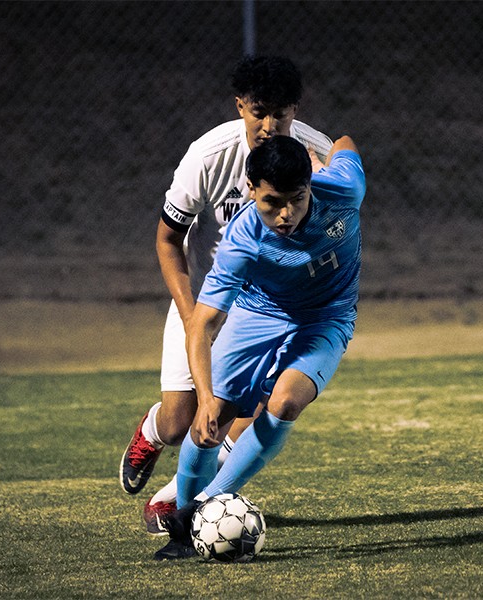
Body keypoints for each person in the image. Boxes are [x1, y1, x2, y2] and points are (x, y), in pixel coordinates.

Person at [119, 56, 333, 536]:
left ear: (295, 110)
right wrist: (190, 311)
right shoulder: (209, 157)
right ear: (240, 106)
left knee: (241, 414)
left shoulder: (313, 157)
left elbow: (338, 217)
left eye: (281, 113)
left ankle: (178, 500)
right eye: (258, 111)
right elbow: (167, 239)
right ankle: (152, 433)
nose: (270, 125)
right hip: (206, 300)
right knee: (181, 422)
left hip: (269, 309)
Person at [153, 134, 365, 560]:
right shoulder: (241, 240)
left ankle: (197, 511)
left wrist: (320, 157)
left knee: (285, 402)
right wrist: (208, 397)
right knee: (212, 417)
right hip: (257, 312)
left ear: (310, 186)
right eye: (272, 202)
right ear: (251, 190)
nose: (286, 214)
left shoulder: (344, 188)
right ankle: (187, 528)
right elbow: (202, 324)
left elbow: (345, 142)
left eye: (297, 199)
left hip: (326, 316)